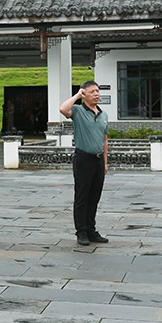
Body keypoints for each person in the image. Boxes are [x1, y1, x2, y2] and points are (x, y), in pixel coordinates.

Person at [59, 80, 110, 247]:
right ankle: (81, 231)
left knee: (94, 197)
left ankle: (91, 230)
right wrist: (77, 96)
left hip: (98, 161)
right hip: (83, 160)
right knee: (82, 196)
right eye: (92, 91)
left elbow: (104, 140)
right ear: (84, 94)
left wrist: (105, 162)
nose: (96, 94)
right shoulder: (78, 111)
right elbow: (63, 109)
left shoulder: (103, 114)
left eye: (97, 91)